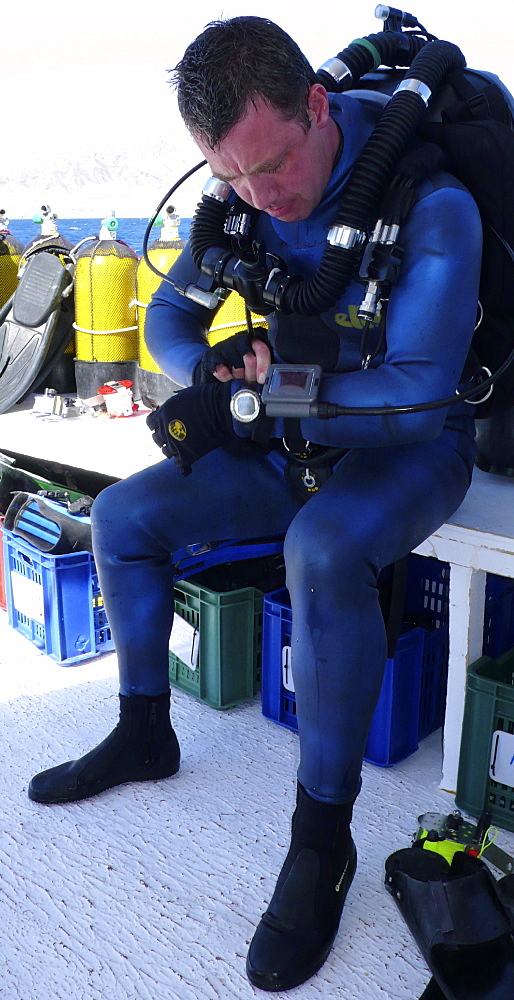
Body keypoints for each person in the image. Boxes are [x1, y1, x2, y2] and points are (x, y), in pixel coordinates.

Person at [28, 15, 482, 993]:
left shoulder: (426, 201)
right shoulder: (240, 204)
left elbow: (414, 392)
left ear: (316, 106)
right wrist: (223, 375)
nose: (259, 197)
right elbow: (164, 318)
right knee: (123, 517)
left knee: (321, 546)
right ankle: (145, 729)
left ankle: (321, 844)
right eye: (229, 178)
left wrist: (261, 395)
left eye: (272, 165)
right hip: (289, 435)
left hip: (412, 447)